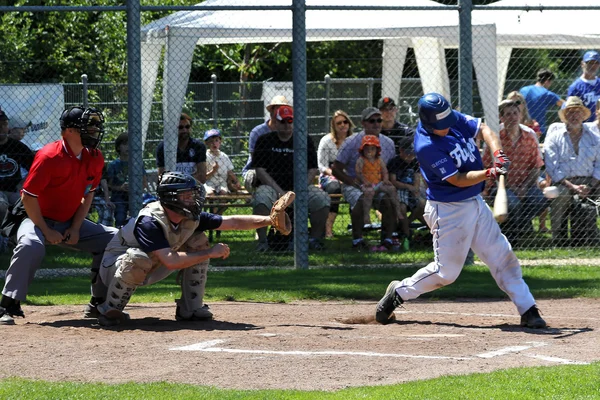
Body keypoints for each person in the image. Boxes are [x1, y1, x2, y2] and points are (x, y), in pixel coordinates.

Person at [375, 92, 546, 329]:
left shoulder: (448, 117)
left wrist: (498, 154)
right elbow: (457, 179)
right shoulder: (426, 146)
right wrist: (490, 173)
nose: (447, 127)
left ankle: (528, 308)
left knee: (502, 255)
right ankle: (399, 292)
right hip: (449, 210)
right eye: (441, 126)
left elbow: (484, 129)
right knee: (447, 274)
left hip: (474, 201)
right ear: (427, 122)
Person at [96, 171, 294, 326]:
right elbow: (171, 261)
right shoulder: (150, 221)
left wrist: (269, 220)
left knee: (197, 239)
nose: (193, 199)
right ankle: (110, 309)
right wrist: (209, 253)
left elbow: (232, 222)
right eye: (187, 196)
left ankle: (191, 308)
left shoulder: (188, 217)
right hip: (116, 266)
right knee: (138, 258)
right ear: (172, 198)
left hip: (153, 263)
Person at [0, 106, 118, 325]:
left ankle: (98, 302)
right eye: (88, 125)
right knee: (30, 244)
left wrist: (74, 228)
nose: (94, 130)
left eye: (95, 125)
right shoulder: (49, 156)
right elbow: (28, 197)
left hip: (68, 220)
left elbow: (88, 196)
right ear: (69, 131)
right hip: (33, 217)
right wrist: (46, 230)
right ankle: (7, 304)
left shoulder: (95, 157)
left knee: (115, 240)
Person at [252, 105, 330, 251]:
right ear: (275, 122)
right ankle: (263, 242)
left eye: (290, 121)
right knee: (261, 198)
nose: (287, 125)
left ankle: (314, 240)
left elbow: (313, 169)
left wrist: (297, 190)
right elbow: (260, 171)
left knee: (322, 199)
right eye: (283, 122)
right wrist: (281, 193)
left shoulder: (304, 140)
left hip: (299, 187)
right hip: (272, 187)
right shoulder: (264, 140)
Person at [482, 99, 548, 244]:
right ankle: (512, 238)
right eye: (508, 114)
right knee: (513, 203)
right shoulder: (494, 136)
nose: (512, 117)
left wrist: (524, 187)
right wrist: (509, 187)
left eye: (515, 113)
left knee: (541, 199)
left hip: (525, 184)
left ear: (520, 114)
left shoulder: (529, 135)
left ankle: (517, 228)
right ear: (501, 117)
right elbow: (487, 166)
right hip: (499, 186)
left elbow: (536, 166)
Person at [332, 107, 397, 251]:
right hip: (354, 183)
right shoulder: (351, 142)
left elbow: (391, 168)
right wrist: (350, 180)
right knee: (360, 201)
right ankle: (358, 241)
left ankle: (387, 240)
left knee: (388, 199)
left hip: (378, 182)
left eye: (379, 120)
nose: (376, 124)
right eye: (371, 121)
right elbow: (336, 169)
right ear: (363, 123)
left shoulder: (388, 143)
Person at [544, 96, 600, 246]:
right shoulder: (554, 138)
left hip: (591, 182)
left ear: (583, 115)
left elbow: (599, 165)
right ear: (565, 116)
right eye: (570, 112)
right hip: (564, 182)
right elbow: (553, 168)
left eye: (577, 112)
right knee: (560, 195)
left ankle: (590, 237)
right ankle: (559, 239)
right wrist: (573, 187)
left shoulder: (595, 137)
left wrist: (592, 185)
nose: (574, 116)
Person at [242, 95, 292, 192]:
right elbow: (255, 160)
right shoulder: (257, 132)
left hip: (283, 170)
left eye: (282, 109)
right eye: (277, 108)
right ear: (271, 111)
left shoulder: (290, 132)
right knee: (255, 177)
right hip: (257, 170)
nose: (279, 111)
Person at [355, 135, 402, 235]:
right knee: (369, 192)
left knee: (392, 189)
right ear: (362, 149)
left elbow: (385, 171)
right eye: (367, 149)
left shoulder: (379, 160)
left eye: (372, 149)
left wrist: (385, 179)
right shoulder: (361, 160)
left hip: (378, 183)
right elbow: (358, 172)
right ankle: (366, 216)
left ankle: (398, 211)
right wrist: (364, 181)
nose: (369, 151)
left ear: (377, 150)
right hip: (367, 184)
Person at [317, 110, 354, 238]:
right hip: (329, 176)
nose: (343, 125)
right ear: (334, 126)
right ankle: (328, 230)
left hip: (349, 175)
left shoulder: (353, 141)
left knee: (357, 188)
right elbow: (321, 166)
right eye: (339, 123)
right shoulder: (326, 141)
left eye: (345, 122)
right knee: (334, 188)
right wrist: (337, 176)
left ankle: (358, 227)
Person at [387, 136, 426, 251]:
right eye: (408, 154)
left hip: (412, 189)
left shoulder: (415, 162)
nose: (411, 157)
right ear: (401, 151)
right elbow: (393, 181)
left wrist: (415, 188)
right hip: (399, 189)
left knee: (422, 205)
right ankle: (406, 233)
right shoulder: (395, 162)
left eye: (413, 154)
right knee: (402, 208)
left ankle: (405, 224)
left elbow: (417, 178)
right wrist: (409, 187)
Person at [0, 109, 35, 222]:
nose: (1, 128)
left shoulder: (17, 146)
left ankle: (17, 236)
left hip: (15, 190)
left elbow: (35, 168)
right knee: (1, 206)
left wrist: (23, 183)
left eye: (4, 124)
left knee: (27, 206)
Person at [156, 113, 207, 183]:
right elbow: (162, 177)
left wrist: (179, 181)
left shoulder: (198, 146)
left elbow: (202, 176)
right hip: (172, 188)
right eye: (180, 127)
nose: (184, 130)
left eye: (187, 127)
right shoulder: (163, 147)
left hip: (193, 187)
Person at [519, 69, 565, 136]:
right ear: (547, 81)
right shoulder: (546, 93)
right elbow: (565, 104)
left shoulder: (523, 90)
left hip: (521, 126)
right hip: (537, 129)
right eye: (551, 82)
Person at [204, 128, 241, 197]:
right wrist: (213, 170)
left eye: (216, 140)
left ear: (220, 142)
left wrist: (236, 181)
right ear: (206, 143)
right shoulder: (205, 156)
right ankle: (214, 207)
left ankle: (218, 207)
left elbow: (230, 172)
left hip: (222, 183)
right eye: (211, 141)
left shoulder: (224, 156)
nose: (214, 143)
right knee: (210, 194)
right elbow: (203, 177)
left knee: (224, 193)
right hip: (209, 183)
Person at [567, 50, 600, 123]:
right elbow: (569, 110)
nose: (593, 66)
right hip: (584, 128)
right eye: (589, 63)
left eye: (596, 63)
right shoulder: (575, 87)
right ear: (582, 64)